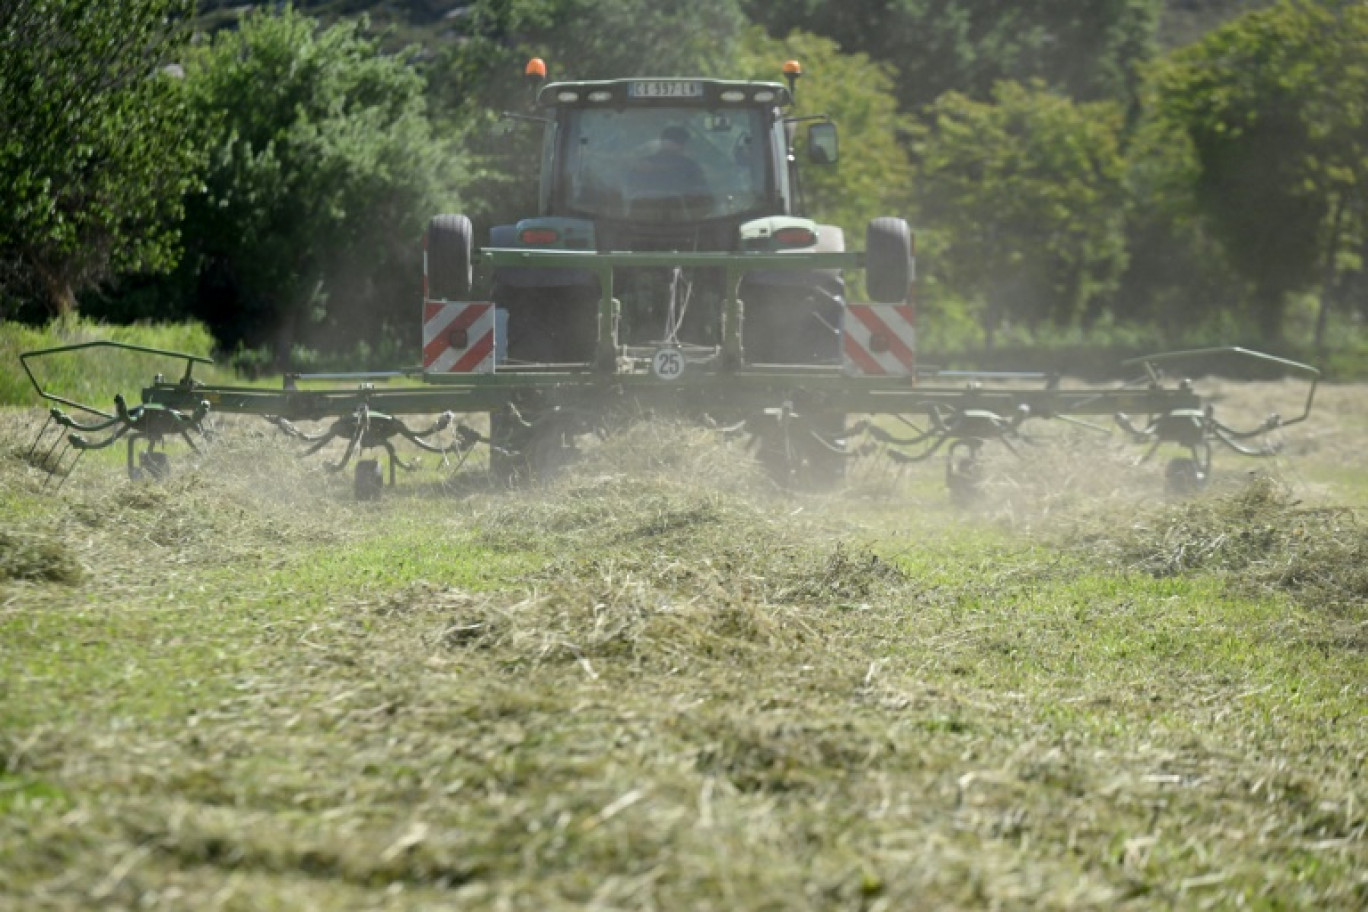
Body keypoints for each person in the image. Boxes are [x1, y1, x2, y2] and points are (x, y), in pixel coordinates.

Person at [633, 125, 710, 200]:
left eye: (676, 142)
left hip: (683, 209)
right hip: (647, 209)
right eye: (669, 140)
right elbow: (633, 191)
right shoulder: (643, 164)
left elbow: (700, 192)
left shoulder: (690, 166)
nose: (670, 144)